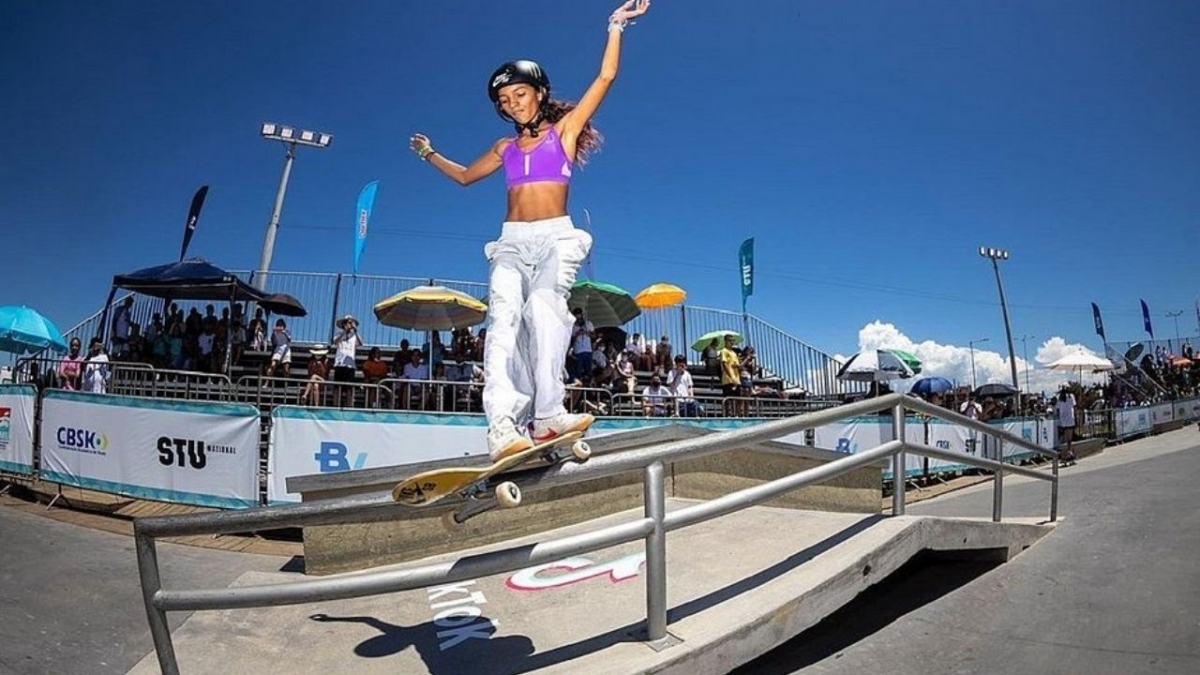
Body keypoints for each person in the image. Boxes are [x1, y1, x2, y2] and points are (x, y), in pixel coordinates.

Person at [408, 0, 651, 461]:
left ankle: (548, 414)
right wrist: (429, 154)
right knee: (503, 323)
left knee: (544, 310)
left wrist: (616, 25)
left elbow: (605, 78)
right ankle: (502, 427)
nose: (512, 104)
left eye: (519, 94)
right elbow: (465, 177)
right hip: (512, 243)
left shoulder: (564, 132)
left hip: (556, 237)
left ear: (539, 93)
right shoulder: (504, 147)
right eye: (504, 101)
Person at [331, 314, 363, 407]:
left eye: (351, 323)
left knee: (349, 387)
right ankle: (336, 405)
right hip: (339, 363)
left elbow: (361, 343)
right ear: (344, 324)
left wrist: (355, 331)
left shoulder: (354, 336)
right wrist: (344, 332)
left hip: (350, 365)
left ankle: (349, 406)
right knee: (337, 387)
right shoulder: (339, 334)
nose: (349, 325)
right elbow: (335, 341)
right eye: (348, 323)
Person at [1055, 389, 1078, 463]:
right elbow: (1074, 407)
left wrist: (1059, 417)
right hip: (1070, 418)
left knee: (1065, 437)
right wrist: (1076, 417)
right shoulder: (1071, 396)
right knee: (1069, 438)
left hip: (1063, 419)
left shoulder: (1059, 397)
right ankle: (1069, 452)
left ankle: (1067, 452)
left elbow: (1057, 409)